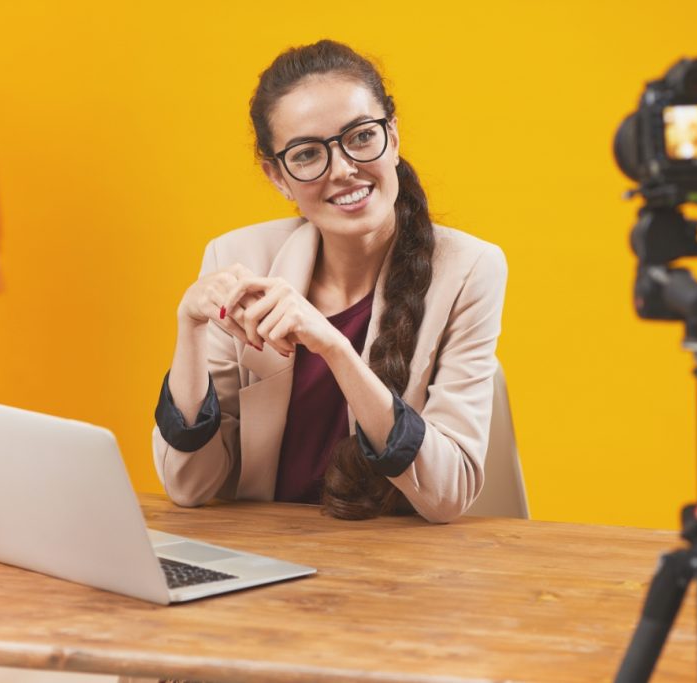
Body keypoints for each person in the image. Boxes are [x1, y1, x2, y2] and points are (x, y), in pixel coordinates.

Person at [152, 40, 507, 523]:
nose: (343, 170)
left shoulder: (469, 269)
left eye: (361, 137)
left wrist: (335, 349)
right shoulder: (238, 258)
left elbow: (447, 495)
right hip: (269, 559)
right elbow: (189, 485)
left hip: (400, 569)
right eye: (306, 154)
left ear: (394, 137)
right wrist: (188, 328)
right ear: (278, 177)